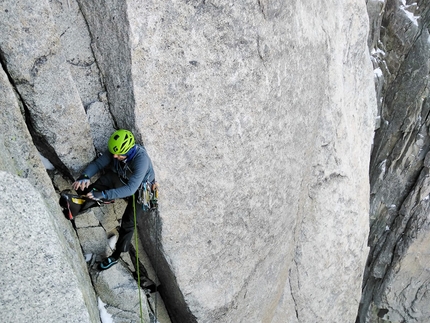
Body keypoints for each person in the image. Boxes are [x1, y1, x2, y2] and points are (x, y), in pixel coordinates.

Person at [72, 129, 155, 270]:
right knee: (98, 185)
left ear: (128, 151)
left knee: (129, 222)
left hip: (141, 190)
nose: (115, 156)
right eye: (114, 153)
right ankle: (80, 204)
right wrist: (85, 175)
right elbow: (98, 164)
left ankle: (116, 255)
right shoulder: (115, 150)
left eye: (119, 154)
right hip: (123, 178)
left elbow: (131, 189)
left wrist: (105, 194)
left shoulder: (141, 160)